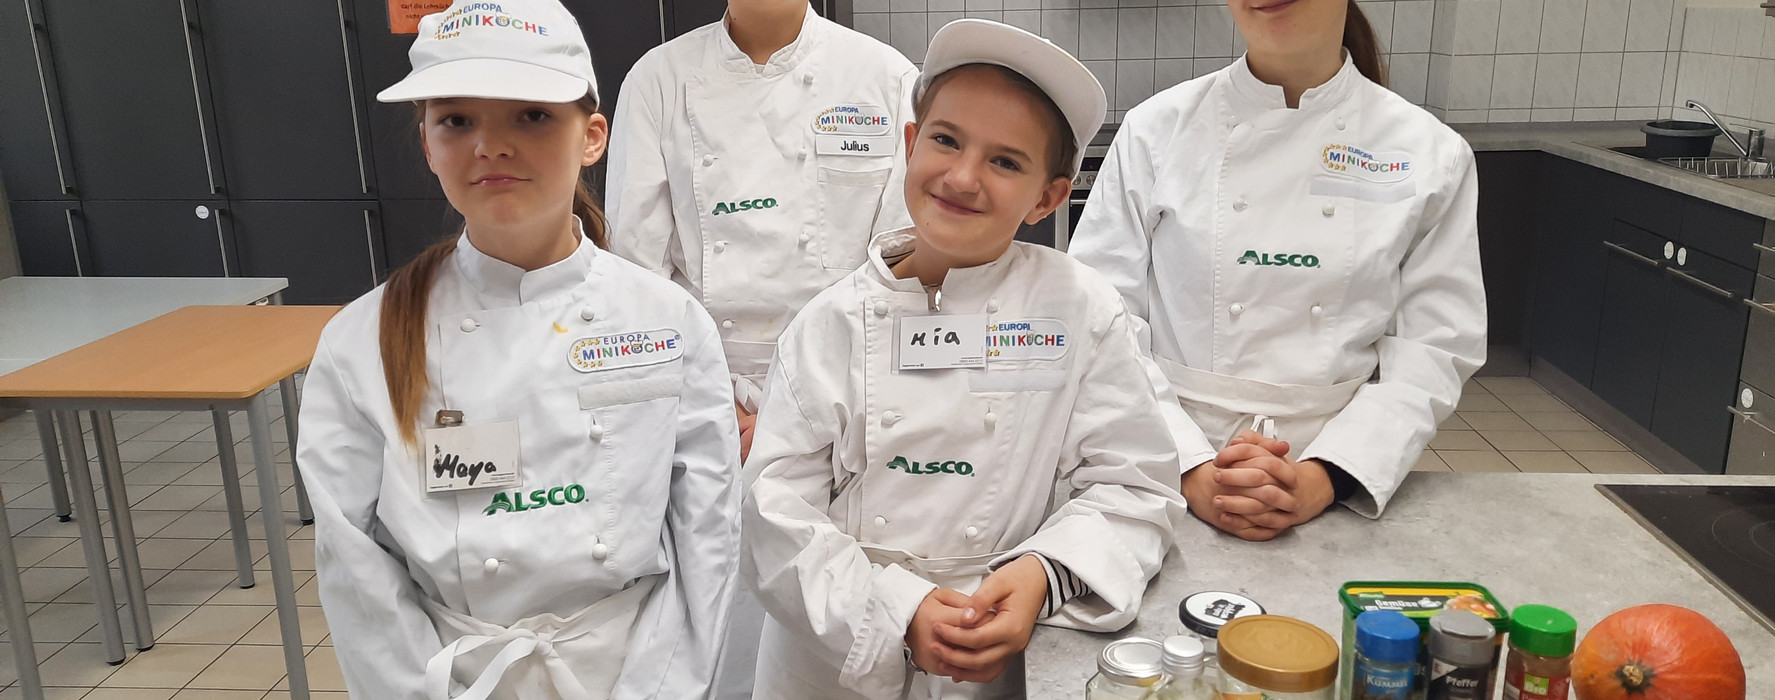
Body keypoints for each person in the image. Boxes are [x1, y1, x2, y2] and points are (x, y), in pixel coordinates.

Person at [295, 1, 740, 696]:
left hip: (636, 670)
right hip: (455, 679)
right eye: (456, 121)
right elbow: (355, 569)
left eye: (531, 115)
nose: (491, 146)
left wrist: (660, 689)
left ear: (592, 136)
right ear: (427, 144)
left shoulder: (668, 321)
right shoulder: (361, 341)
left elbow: (707, 539)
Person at [740, 20, 1189, 699]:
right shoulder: (828, 324)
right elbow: (775, 514)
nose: (962, 177)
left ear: (1048, 197)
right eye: (946, 141)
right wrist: (896, 611)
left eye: (1005, 162)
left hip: (993, 636)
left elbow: (1136, 484)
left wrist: (1042, 573)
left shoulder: (1078, 310)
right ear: (909, 144)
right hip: (835, 650)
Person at [1068, 0, 1486, 542]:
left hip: (1340, 482)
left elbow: (1434, 347)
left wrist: (1324, 477)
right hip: (1158, 475)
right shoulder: (1155, 131)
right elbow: (1101, 319)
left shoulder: (1432, 154)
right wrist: (1191, 468)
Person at [604, 0, 918, 460]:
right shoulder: (657, 80)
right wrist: (709, 400)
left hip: (845, 400)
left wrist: (802, 410)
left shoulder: (887, 79)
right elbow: (637, 274)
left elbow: (899, 270)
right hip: (702, 403)